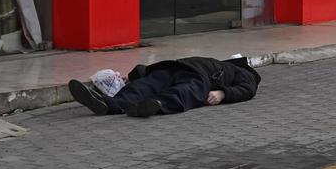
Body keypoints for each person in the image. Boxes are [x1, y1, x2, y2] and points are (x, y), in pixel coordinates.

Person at [68, 56, 261, 118]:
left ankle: (151, 104)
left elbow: (248, 90)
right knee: (145, 86)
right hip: (180, 69)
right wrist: (135, 76)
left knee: (181, 92)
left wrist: (222, 93)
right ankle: (109, 104)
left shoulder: (243, 72)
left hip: (196, 76)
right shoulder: (218, 63)